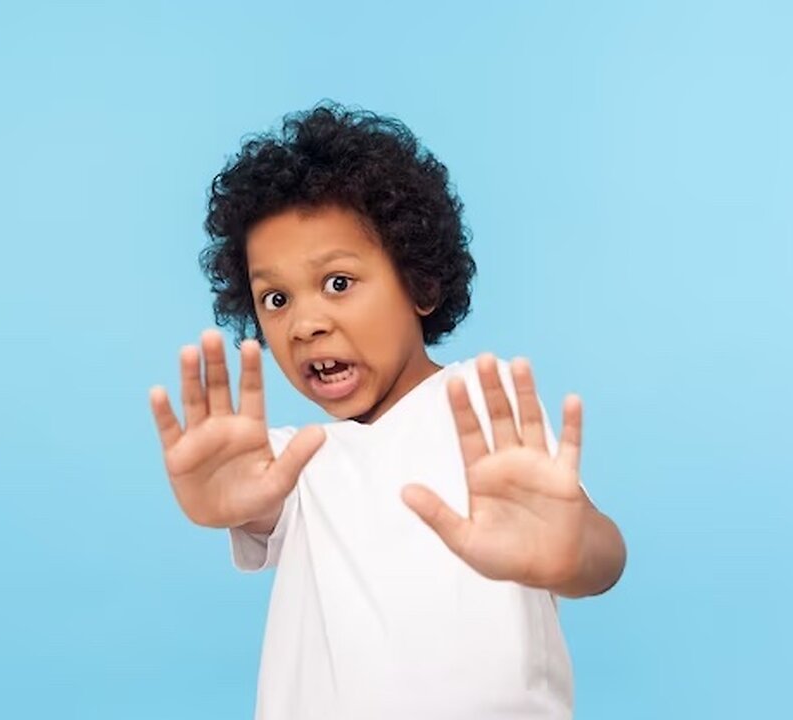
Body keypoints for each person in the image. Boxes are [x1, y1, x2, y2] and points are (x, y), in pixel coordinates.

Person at [148, 101, 626, 719]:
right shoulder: (296, 465)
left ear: (421, 283)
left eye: (339, 282)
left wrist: (571, 550)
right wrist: (234, 503)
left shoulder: (480, 411)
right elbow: (264, 499)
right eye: (275, 298)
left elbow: (600, 553)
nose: (305, 324)